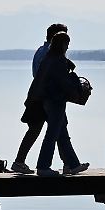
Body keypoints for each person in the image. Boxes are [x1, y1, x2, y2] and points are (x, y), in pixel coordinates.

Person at [12, 24, 72, 174]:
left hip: (40, 96)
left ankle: (68, 163)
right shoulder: (50, 53)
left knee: (51, 129)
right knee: (52, 130)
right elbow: (47, 76)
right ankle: (59, 164)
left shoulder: (41, 51)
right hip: (46, 97)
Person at [29, 31, 89, 177]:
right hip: (56, 100)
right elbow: (63, 82)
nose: (67, 47)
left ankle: (73, 165)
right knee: (52, 135)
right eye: (67, 44)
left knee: (62, 134)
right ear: (62, 44)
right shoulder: (58, 60)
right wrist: (77, 90)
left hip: (47, 100)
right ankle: (43, 166)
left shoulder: (48, 58)